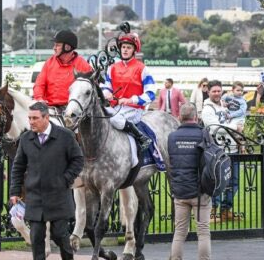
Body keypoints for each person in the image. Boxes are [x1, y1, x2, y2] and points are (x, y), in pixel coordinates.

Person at [10, 101, 84, 260]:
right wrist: (15, 191)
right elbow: (18, 166)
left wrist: (65, 179)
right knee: (36, 238)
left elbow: (78, 160)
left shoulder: (65, 136)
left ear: (46, 117)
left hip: (58, 196)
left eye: (35, 118)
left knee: (60, 235)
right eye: (29, 118)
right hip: (35, 197)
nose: (31, 122)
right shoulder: (26, 139)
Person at [167, 103, 211, 260]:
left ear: (180, 117)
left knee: (179, 232)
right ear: (196, 117)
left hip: (180, 190)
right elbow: (210, 162)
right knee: (203, 231)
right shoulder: (203, 134)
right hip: (200, 191)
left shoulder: (172, 137)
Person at [101, 32, 156, 151]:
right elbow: (106, 87)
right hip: (115, 108)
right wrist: (107, 94)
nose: (125, 50)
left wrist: (130, 100)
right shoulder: (112, 68)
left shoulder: (142, 68)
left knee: (113, 119)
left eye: (129, 47)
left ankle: (142, 138)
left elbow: (151, 94)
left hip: (134, 109)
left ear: (134, 50)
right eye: (123, 47)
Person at [200, 80, 239, 222]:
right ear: (208, 92)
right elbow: (216, 128)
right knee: (217, 181)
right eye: (214, 91)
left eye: (219, 90)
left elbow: (227, 124)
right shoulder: (207, 109)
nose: (217, 93)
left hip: (232, 148)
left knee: (234, 182)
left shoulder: (224, 106)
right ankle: (212, 212)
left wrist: (232, 126)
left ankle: (225, 210)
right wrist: (235, 126)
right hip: (217, 152)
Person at [33, 30, 93, 114]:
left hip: (73, 110)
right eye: (54, 45)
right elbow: (39, 84)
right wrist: (39, 99)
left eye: (57, 45)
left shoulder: (83, 65)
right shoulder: (49, 63)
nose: (54, 48)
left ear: (67, 47)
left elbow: (92, 89)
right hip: (50, 108)